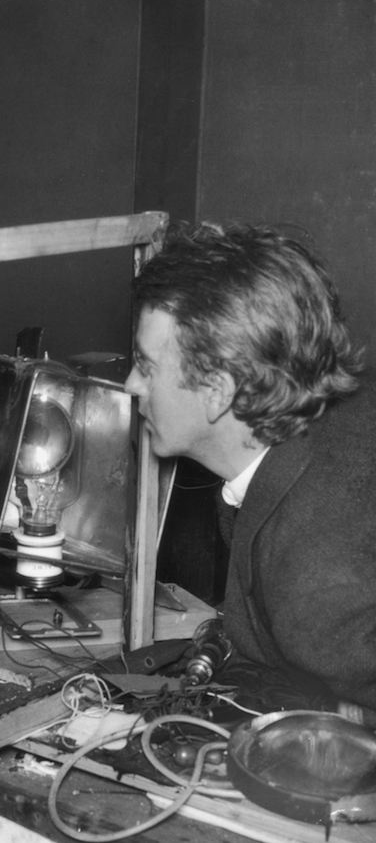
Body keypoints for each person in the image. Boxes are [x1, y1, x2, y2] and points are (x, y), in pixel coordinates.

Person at [125, 221, 376, 723]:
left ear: (218, 391)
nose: (130, 384)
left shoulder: (310, 591)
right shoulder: (341, 419)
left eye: (147, 367)